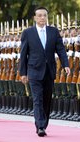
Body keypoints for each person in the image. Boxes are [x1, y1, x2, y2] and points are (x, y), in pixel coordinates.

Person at [20, 7, 70, 137]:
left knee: (47, 100)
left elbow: (61, 49)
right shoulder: (28, 33)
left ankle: (43, 123)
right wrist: (23, 73)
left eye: (44, 15)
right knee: (37, 99)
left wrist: (66, 64)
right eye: (40, 15)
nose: (42, 18)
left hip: (49, 71)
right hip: (34, 71)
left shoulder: (53, 32)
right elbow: (23, 54)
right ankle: (40, 126)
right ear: (35, 18)